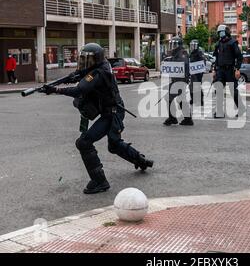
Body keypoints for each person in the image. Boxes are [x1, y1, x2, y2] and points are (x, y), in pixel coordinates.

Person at [39, 43, 153, 194]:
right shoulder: (98, 68)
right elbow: (85, 76)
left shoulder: (99, 72)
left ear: (97, 59)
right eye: (84, 60)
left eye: (89, 60)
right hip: (110, 112)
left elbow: (80, 89)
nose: (86, 63)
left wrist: (55, 90)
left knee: (85, 142)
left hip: (113, 113)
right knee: (113, 145)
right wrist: (74, 76)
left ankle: (100, 181)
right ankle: (140, 160)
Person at [212, 25, 244, 118]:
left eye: (220, 32)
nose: (219, 34)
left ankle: (241, 109)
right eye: (218, 32)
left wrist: (237, 69)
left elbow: (239, 57)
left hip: (230, 70)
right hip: (220, 70)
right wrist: (214, 70)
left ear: (226, 32)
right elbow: (216, 58)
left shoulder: (233, 42)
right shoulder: (218, 44)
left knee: (233, 91)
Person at [163, 36, 192, 126]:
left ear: (179, 45)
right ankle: (187, 119)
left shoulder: (182, 53)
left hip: (180, 80)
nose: (172, 46)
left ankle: (173, 118)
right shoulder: (175, 53)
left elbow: (181, 65)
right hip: (176, 79)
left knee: (169, 98)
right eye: (171, 44)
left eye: (174, 44)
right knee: (180, 98)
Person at [188, 40, 206, 108]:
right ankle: (192, 99)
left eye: (194, 45)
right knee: (191, 86)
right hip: (192, 72)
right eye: (191, 45)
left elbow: (203, 62)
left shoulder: (199, 53)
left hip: (198, 73)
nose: (192, 47)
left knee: (197, 86)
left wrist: (200, 71)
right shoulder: (191, 53)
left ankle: (201, 100)